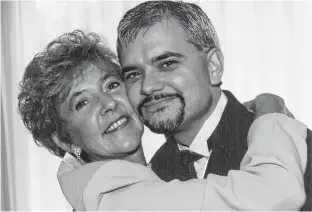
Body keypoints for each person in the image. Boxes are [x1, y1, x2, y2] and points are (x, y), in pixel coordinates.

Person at [18, 30, 307, 210]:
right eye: (81, 102)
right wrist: (270, 109)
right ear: (65, 139)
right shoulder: (114, 198)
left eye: (112, 84)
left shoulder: (159, 171)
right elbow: (274, 194)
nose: (107, 104)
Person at [117, 1, 311, 210]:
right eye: (134, 74)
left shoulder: (295, 151)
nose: (148, 86)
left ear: (213, 66)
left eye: (167, 64)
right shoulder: (152, 175)